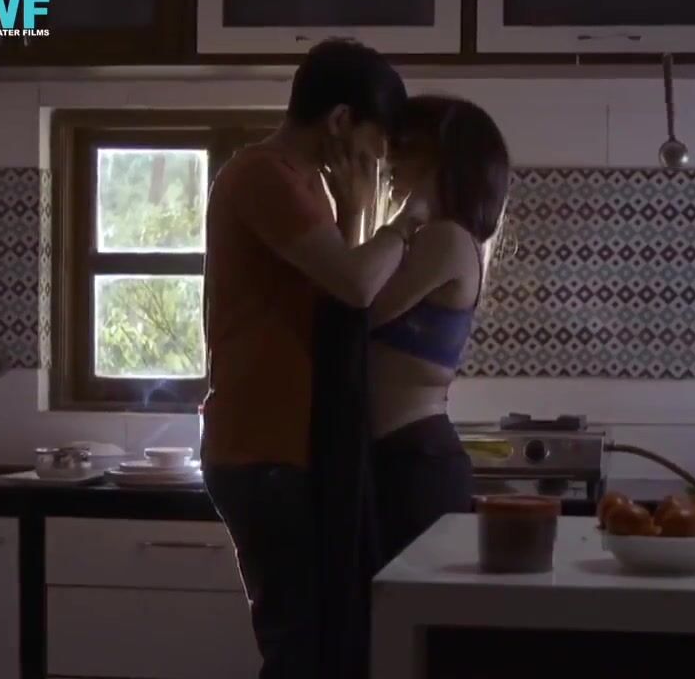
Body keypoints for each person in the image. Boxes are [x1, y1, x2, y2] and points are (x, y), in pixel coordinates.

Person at [200, 39, 422, 679]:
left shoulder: (304, 185)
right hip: (261, 449)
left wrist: (353, 213)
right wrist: (406, 221)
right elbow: (355, 284)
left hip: (282, 447)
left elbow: (334, 299)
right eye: (379, 142)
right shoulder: (263, 175)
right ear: (341, 120)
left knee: (317, 642)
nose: (379, 159)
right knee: (297, 646)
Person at [369, 95, 511, 563]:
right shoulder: (432, 239)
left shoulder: (444, 237)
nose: (391, 162)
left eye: (408, 148)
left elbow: (354, 310)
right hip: (401, 456)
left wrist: (400, 216)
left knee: (398, 605)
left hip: (412, 460)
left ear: (447, 165)